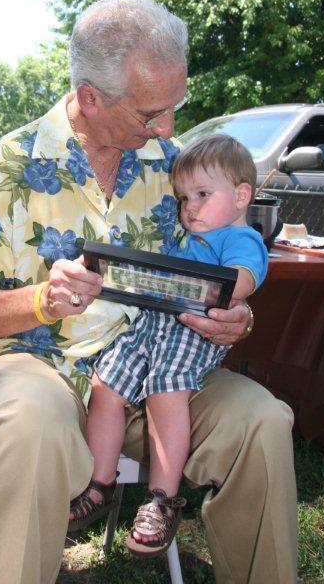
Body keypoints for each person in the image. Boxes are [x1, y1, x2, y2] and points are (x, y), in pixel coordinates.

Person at [0, 0, 298, 584]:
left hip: (156, 375)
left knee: (260, 420)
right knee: (32, 424)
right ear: (90, 97)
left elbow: (226, 277)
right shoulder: (10, 164)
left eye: (174, 107)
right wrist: (39, 299)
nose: (169, 127)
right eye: (151, 113)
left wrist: (238, 318)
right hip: (34, 366)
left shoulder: (181, 170)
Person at [68, 134, 268, 557]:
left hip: (191, 332)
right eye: (183, 198)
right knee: (105, 388)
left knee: (165, 394)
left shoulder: (240, 239)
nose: (189, 207)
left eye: (201, 194)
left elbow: (241, 282)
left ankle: (161, 499)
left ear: (241, 196)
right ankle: (99, 484)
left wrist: (232, 294)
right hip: (150, 326)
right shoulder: (188, 237)